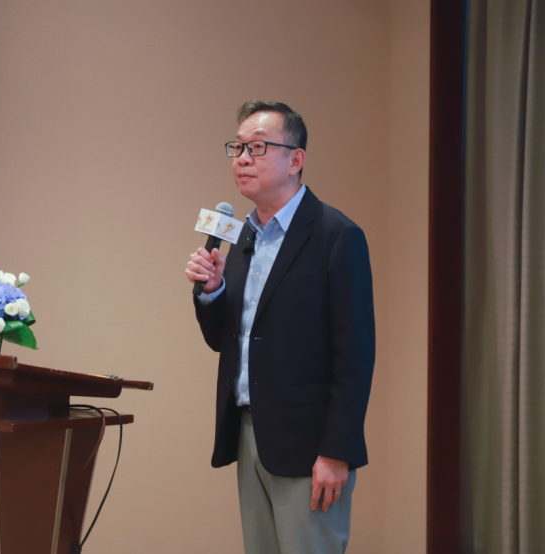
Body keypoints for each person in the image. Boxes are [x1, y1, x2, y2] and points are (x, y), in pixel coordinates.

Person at [185, 100, 375, 554]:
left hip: (310, 445)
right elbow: (227, 339)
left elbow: (355, 355)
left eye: (257, 147)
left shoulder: (336, 235)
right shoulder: (243, 237)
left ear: (295, 160)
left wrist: (337, 451)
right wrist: (212, 291)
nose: (242, 158)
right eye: (237, 148)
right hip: (250, 432)